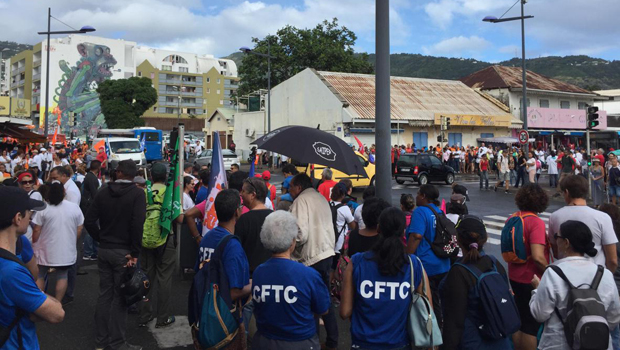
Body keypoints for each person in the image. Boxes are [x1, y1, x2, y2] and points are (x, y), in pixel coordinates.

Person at [340, 207, 429, 349]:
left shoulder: (357, 262)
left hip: (362, 342)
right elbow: (426, 309)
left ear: (378, 228)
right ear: (404, 231)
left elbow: (344, 312)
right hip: (400, 343)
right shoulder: (414, 265)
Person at [85, 160, 146, 350]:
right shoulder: (137, 194)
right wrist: (135, 252)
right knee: (120, 297)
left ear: (118, 172)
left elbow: (89, 220)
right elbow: (137, 225)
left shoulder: (103, 191)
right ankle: (117, 343)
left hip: (105, 249)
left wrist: (100, 238)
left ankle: (101, 341)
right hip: (125, 251)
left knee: (105, 295)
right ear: (134, 174)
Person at [530, 220, 620, 350]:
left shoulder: (553, 273)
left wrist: (537, 291)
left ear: (566, 242)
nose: (555, 241)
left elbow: (539, 314)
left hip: (557, 343)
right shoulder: (604, 274)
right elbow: (614, 316)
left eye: (557, 237)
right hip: (598, 344)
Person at [251, 211, 330, 349]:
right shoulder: (309, 275)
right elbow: (323, 309)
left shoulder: (258, 273)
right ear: (292, 242)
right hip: (301, 342)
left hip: (264, 341)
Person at [0, 186, 66, 349]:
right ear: (17, 218)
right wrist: (43, 300)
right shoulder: (11, 272)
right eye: (30, 212)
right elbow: (56, 314)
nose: (31, 218)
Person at [441, 215, 512, 349]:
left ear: (459, 240)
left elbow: (454, 322)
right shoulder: (495, 263)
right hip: (500, 340)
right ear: (484, 239)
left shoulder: (458, 272)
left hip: (473, 341)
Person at [194, 189, 251, 347]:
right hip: (225, 319)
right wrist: (254, 283)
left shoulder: (206, 238)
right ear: (237, 212)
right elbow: (233, 292)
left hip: (204, 312)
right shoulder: (233, 246)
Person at [288, 173, 338, 350]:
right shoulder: (321, 198)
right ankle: (332, 340)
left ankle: (315, 341)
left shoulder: (300, 201)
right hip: (326, 253)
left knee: (311, 302)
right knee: (325, 300)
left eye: (291, 187)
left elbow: (300, 234)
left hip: (311, 258)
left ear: (299, 187)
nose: (289, 190)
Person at [504, 184, 550, 350]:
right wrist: (551, 272)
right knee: (531, 325)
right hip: (532, 278)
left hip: (514, 274)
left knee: (520, 320)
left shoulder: (513, 218)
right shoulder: (535, 222)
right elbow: (538, 257)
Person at [550, 175, 618, 273]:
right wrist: (605, 276)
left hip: (566, 275)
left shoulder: (555, 216)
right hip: (596, 276)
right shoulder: (603, 217)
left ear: (566, 192)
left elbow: (556, 252)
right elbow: (612, 260)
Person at [137, 162, 177, 329]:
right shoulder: (170, 193)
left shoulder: (144, 192)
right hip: (166, 237)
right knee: (164, 278)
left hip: (146, 239)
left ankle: (144, 315)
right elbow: (178, 217)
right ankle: (163, 317)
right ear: (165, 176)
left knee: (146, 278)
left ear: (151, 176)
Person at [406, 184, 450, 328]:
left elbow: (416, 236)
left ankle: (431, 335)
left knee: (426, 303)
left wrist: (407, 257)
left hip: (426, 266)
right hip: (443, 264)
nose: (416, 196)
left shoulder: (420, 212)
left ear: (424, 196)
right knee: (438, 301)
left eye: (418, 193)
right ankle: (439, 330)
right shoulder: (439, 211)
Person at [32, 182, 84, 303]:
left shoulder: (44, 207)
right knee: (62, 275)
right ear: (64, 192)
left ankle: (39, 302)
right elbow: (80, 227)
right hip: (66, 249)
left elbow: (36, 229)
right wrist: (73, 240)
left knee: (40, 275)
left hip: (44, 247)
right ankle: (58, 302)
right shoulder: (74, 207)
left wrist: (34, 243)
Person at [235, 176, 273, 330]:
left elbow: (237, 251)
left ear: (253, 195)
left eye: (243, 191)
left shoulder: (244, 220)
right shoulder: (274, 217)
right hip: (271, 278)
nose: (241, 194)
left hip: (249, 281)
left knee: (247, 325)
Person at [81, 160, 101, 261]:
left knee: (91, 228)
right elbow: (95, 194)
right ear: (98, 168)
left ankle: (92, 251)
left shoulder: (88, 176)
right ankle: (88, 252)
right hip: (90, 206)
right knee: (90, 229)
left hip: (87, 205)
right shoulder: (92, 178)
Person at [331, 183, 356, 254]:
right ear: (343, 195)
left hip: (328, 245)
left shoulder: (327, 205)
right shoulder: (345, 208)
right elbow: (353, 226)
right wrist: (350, 214)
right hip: (339, 245)